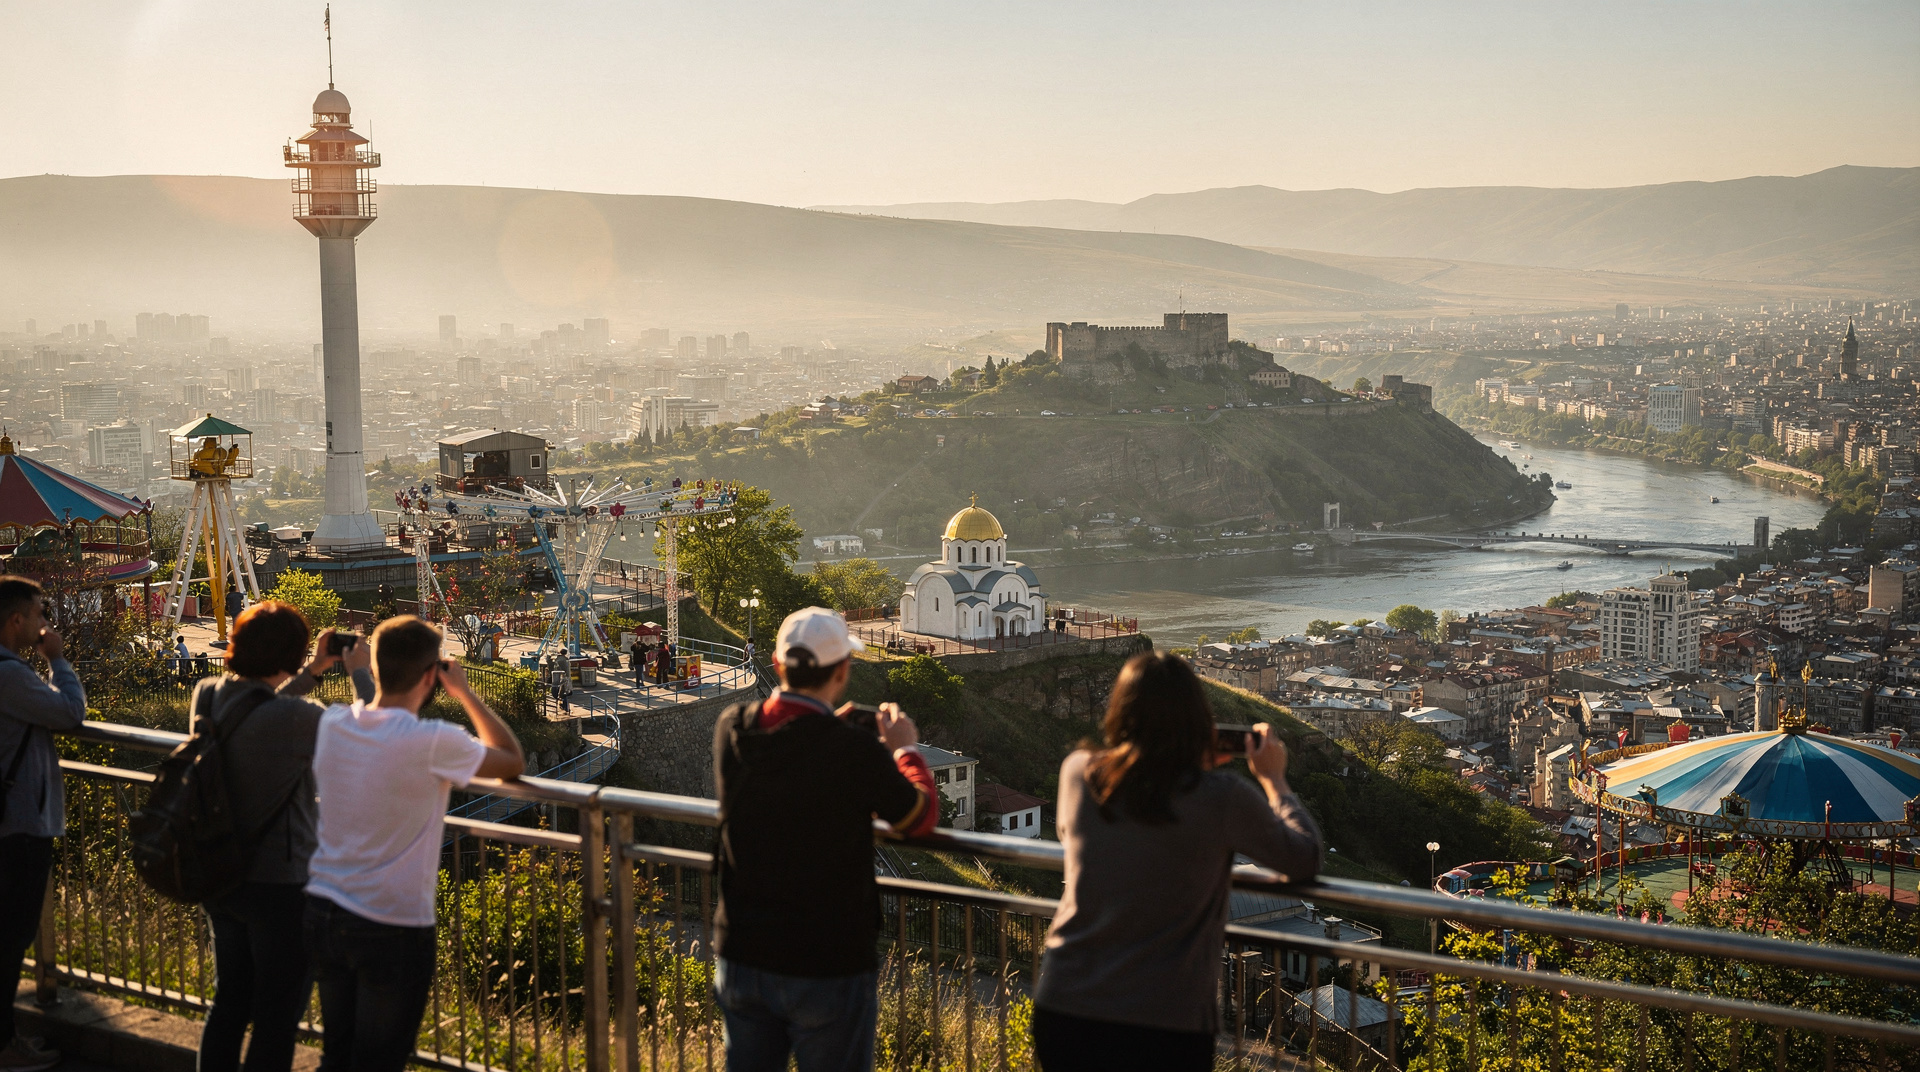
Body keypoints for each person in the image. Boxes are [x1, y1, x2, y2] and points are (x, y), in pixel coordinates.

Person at [1032, 652, 1322, 1072]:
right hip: (1165, 1020)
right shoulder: (1221, 796)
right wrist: (1274, 780)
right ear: (1198, 718)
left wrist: (1176, 764)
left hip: (1068, 1001)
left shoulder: (1078, 772)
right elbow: (1304, 858)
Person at [711, 607, 938, 1072]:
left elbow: (795, 751)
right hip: (827, 958)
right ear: (843, 671)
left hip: (745, 951)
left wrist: (836, 727)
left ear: (777, 664)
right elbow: (917, 817)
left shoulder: (733, 728)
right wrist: (905, 750)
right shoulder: (852, 751)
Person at [304, 617, 525, 1072]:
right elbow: (511, 760)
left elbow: (372, 713)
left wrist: (353, 671)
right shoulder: (432, 742)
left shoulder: (332, 723)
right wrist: (464, 692)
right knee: (379, 1061)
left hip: (324, 909)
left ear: (377, 667)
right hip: (391, 922)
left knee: (338, 1054)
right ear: (432, 675)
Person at [193, 604, 374, 1072]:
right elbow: (372, 735)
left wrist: (314, 671)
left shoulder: (207, 695)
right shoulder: (299, 720)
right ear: (288, 654)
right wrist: (361, 675)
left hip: (219, 868)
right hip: (280, 883)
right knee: (277, 1014)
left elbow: (258, 707)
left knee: (230, 1001)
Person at [0, 576, 86, 1072]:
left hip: (10, 822)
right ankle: (3, 1044)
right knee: (10, 938)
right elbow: (70, 713)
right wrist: (57, 659)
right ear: (17, 621)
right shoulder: (10, 676)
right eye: (38, 615)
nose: (43, 623)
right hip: (18, 827)